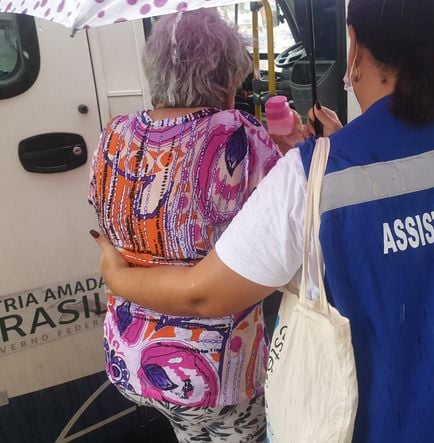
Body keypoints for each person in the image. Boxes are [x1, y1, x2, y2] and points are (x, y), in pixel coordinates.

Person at [92, 0, 434, 441]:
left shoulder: (313, 174)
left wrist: (117, 277)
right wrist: (335, 147)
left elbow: (203, 293)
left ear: (353, 46)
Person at [88, 10, 287, 443]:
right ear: (227, 76)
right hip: (211, 372)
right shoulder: (239, 135)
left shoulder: (113, 134)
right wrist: (292, 152)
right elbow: (287, 211)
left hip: (130, 353)